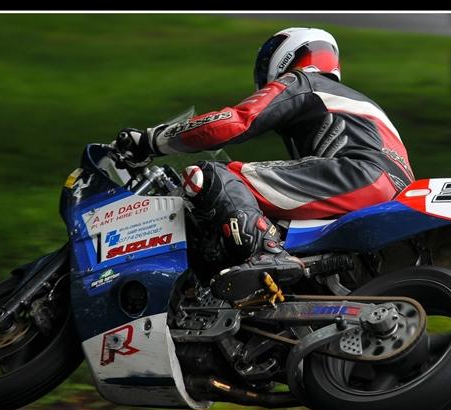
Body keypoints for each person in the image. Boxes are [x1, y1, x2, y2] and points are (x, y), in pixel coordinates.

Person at [115, 27, 415, 302]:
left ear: (287, 55)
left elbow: (234, 122)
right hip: (391, 191)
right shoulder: (350, 103)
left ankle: (265, 254)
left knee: (212, 175)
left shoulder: (303, 81)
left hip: (359, 175)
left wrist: (151, 140)